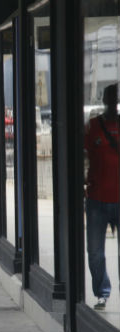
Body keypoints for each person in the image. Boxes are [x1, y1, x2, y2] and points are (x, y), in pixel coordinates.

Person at [84, 83, 119, 310]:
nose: (111, 100)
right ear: (104, 99)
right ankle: (102, 292)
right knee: (95, 251)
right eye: (109, 96)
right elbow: (81, 156)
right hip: (97, 199)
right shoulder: (93, 127)